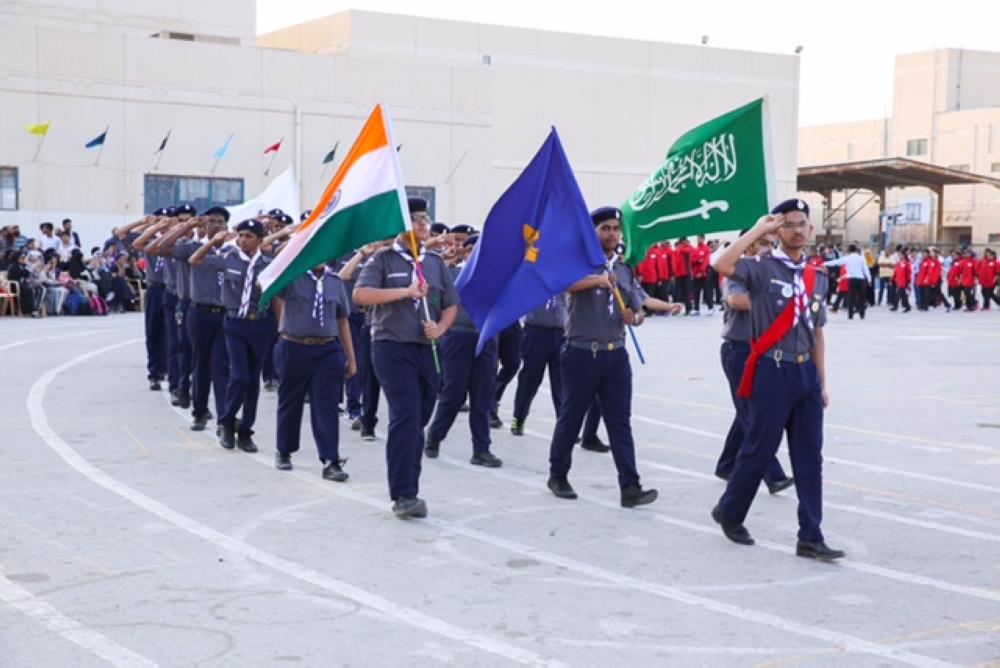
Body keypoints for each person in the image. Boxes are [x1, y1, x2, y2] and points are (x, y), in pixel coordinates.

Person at [710, 198, 844, 561]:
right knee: (759, 447)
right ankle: (731, 511)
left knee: (810, 457)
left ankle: (810, 535)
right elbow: (720, 264)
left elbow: (817, 333)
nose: (797, 230)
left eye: (802, 224)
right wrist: (757, 229)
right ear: (777, 230)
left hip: (805, 375)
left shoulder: (818, 277)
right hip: (772, 369)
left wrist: (822, 382)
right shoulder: (760, 268)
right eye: (788, 225)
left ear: (811, 230)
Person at [353, 197, 459, 519]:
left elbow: (452, 303)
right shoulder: (383, 260)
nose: (423, 225)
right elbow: (361, 295)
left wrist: (440, 327)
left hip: (426, 349)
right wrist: (405, 292)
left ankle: (409, 479)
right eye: (416, 220)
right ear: (400, 225)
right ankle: (404, 493)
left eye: (426, 220)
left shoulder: (436, 262)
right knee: (406, 415)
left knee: (420, 417)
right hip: (391, 346)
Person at [546, 206, 657, 508]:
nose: (611, 234)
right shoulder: (579, 262)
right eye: (605, 228)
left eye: (615, 229)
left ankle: (630, 487)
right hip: (582, 353)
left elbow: (637, 312)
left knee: (620, 422)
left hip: (615, 353)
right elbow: (560, 285)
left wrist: (633, 317)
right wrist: (596, 280)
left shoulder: (622, 267)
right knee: (571, 417)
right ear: (593, 231)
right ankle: (558, 474)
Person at [715, 229, 794, 494]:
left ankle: (726, 464)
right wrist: (769, 300)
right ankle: (773, 475)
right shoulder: (739, 272)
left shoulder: (770, 274)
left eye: (771, 244)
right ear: (747, 247)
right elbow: (735, 300)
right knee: (753, 414)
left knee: (746, 411)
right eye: (762, 243)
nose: (767, 249)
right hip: (738, 351)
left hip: (761, 352)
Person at [189, 219, 274, 453]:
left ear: (259, 239)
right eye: (240, 235)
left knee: (253, 381)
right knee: (239, 376)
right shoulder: (229, 259)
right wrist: (213, 243)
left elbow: (277, 295)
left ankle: (246, 431)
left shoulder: (269, 264)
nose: (243, 239)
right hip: (235, 323)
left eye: (248, 236)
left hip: (259, 324)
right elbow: (194, 260)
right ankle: (226, 422)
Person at [272, 262, 357, 481]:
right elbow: (269, 289)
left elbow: (342, 320)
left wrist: (351, 358)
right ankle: (284, 450)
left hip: (327, 349)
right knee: (290, 400)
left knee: (326, 405)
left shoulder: (334, 281)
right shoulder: (292, 275)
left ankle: (331, 460)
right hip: (294, 345)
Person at [425, 235, 504, 467]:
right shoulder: (452, 273)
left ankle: (481, 449)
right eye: (470, 251)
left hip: (485, 338)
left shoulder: (496, 277)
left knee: (482, 395)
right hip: (458, 336)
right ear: (464, 253)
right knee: (454, 393)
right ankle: (435, 436)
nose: (474, 256)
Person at [169, 207, 231, 432]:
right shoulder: (193, 249)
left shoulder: (232, 252)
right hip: (199, 313)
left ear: (226, 227)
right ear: (204, 226)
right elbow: (165, 248)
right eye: (211, 222)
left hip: (224, 314)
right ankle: (200, 411)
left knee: (221, 367)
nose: (215, 226)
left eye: (220, 222)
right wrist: (187, 226)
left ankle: (225, 418)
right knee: (200, 364)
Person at [509, 294, 567, 437]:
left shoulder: (566, 274)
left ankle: (564, 424)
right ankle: (518, 418)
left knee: (562, 383)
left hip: (561, 332)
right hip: (536, 330)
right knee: (529, 380)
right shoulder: (535, 271)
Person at [823, 244, 870, 320]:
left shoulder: (847, 258)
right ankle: (862, 314)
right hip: (861, 279)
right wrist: (869, 279)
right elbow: (865, 269)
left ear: (849, 250)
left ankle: (850, 315)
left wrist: (823, 263)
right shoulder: (861, 258)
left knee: (852, 297)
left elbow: (836, 262)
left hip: (852, 279)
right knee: (861, 297)